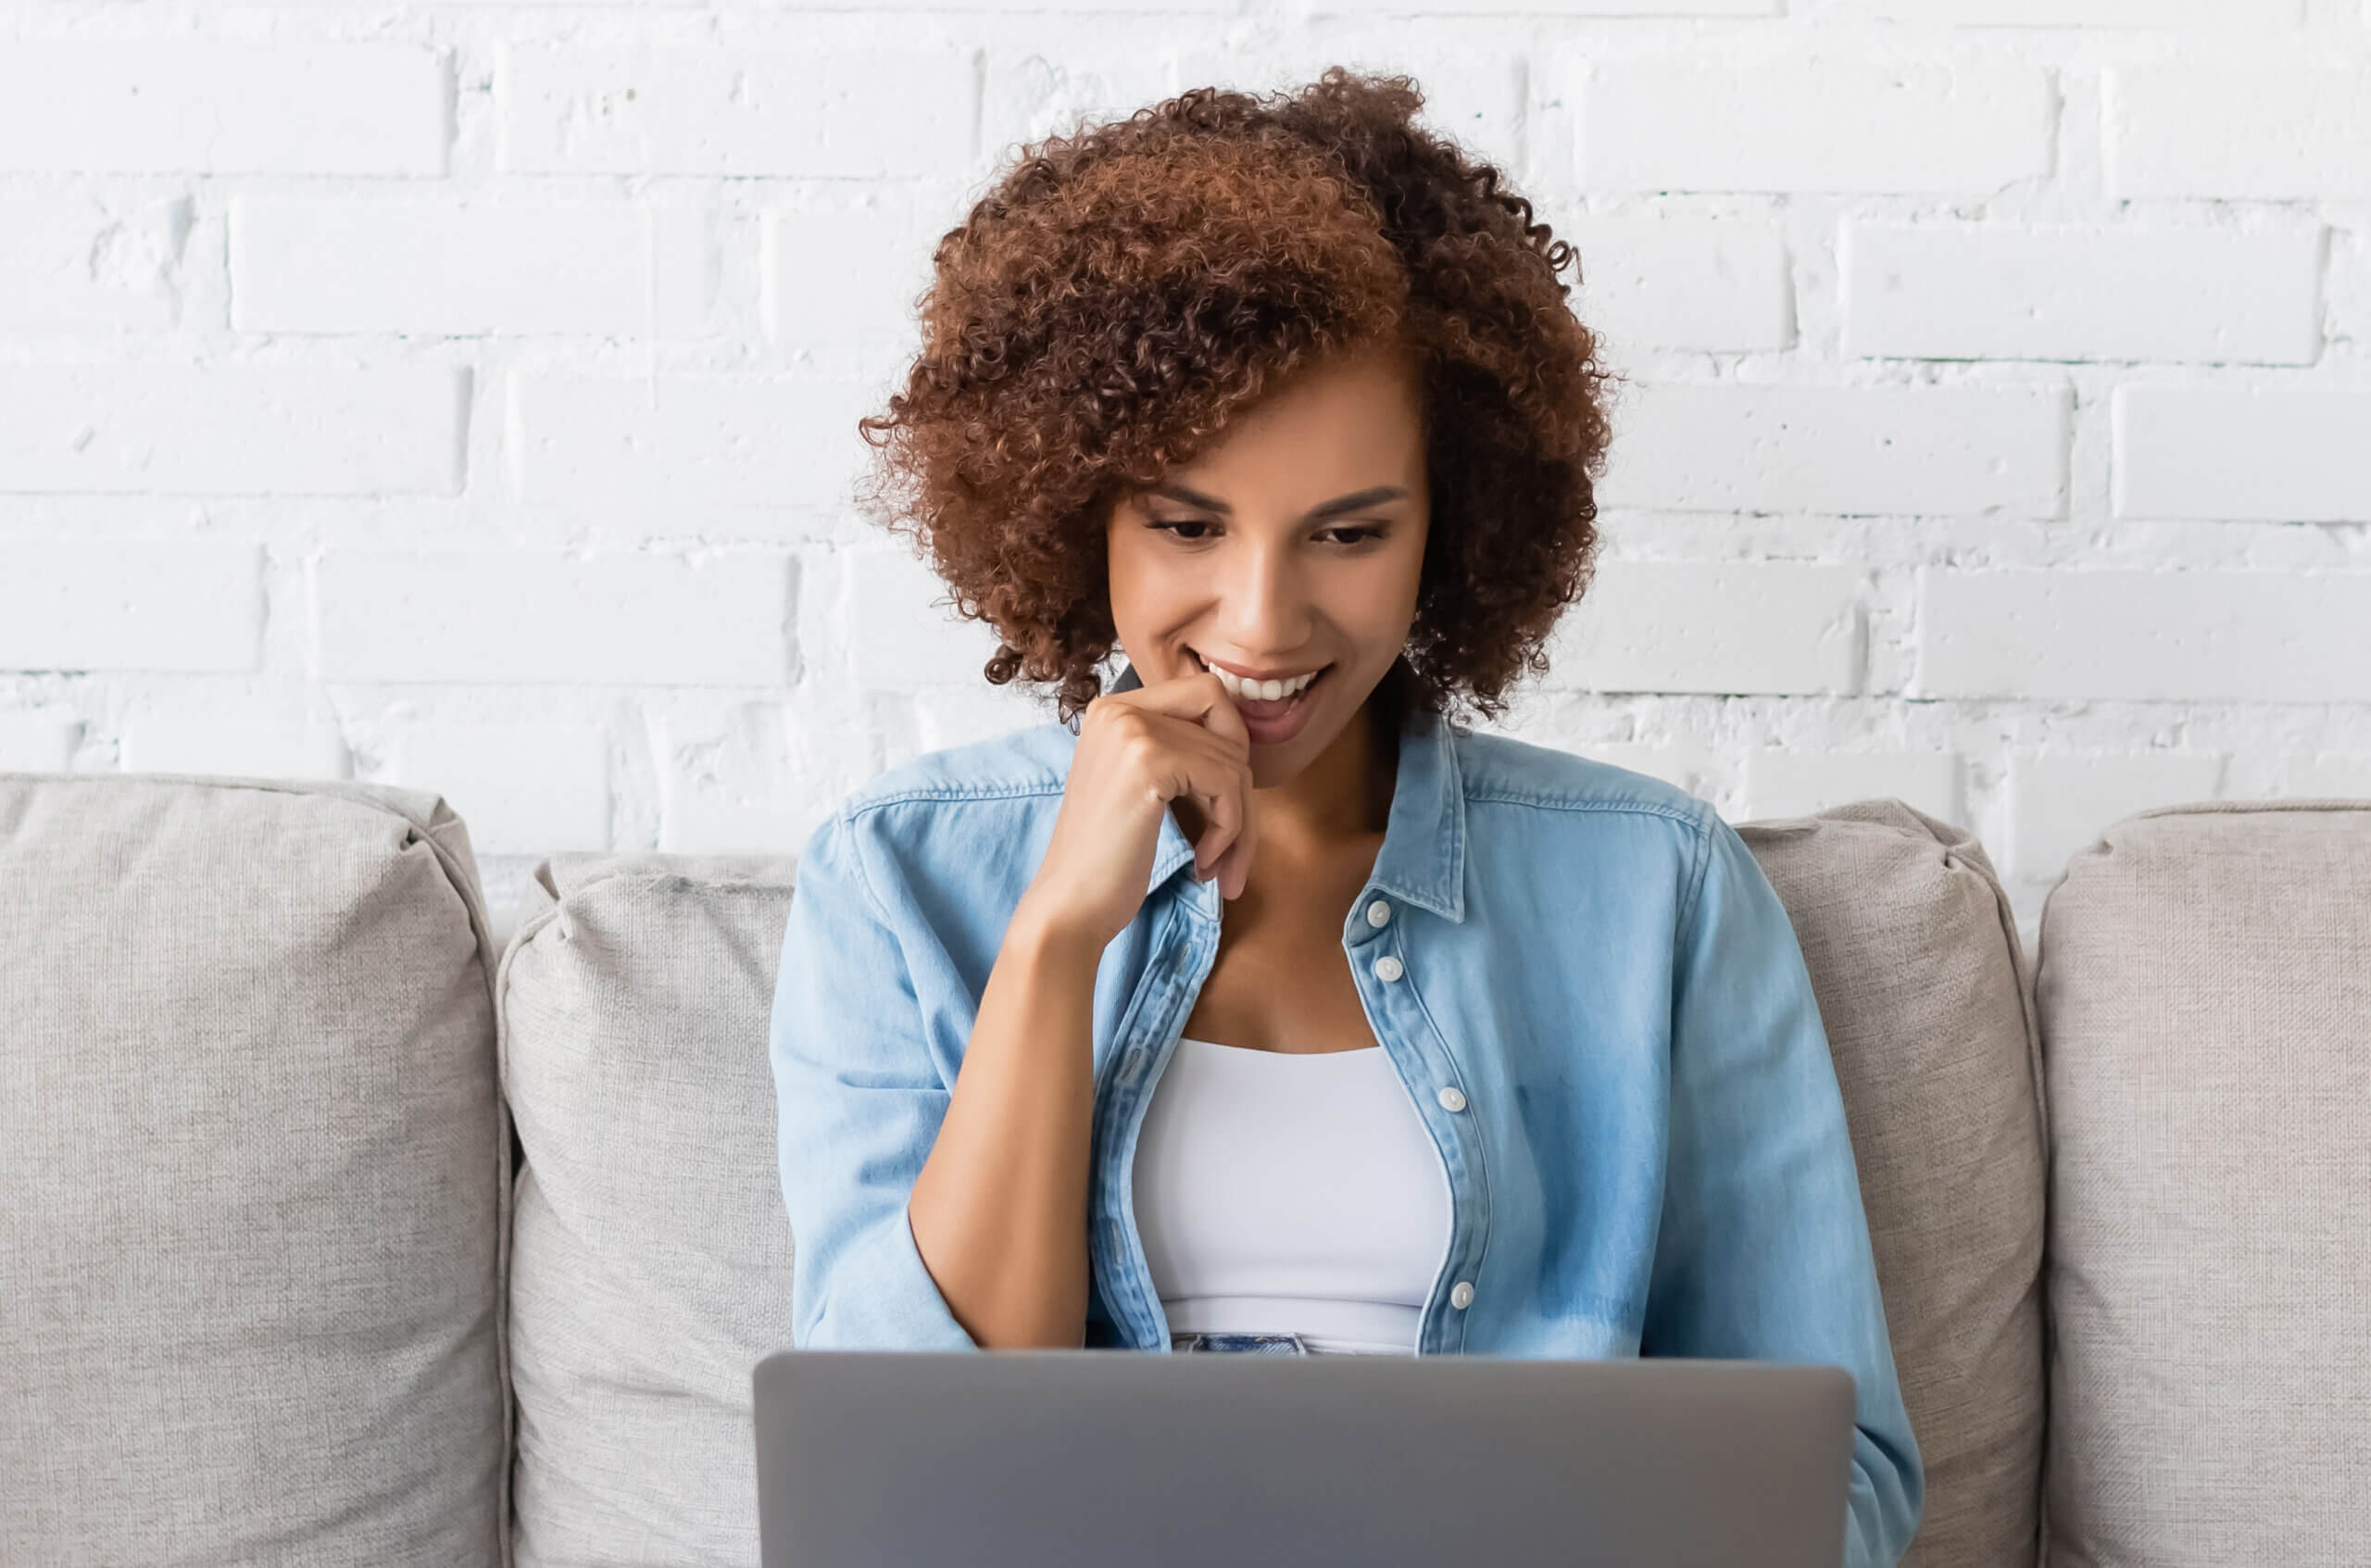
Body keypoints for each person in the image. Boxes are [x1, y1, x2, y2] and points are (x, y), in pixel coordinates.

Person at [768, 68, 1922, 1567]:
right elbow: (907, 1489)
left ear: (1453, 528)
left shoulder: (1659, 894)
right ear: (1074, 510)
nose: (1262, 620)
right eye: (1186, 524)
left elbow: (1842, 1489)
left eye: (1352, 533)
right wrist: (1057, 941)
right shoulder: (897, 883)